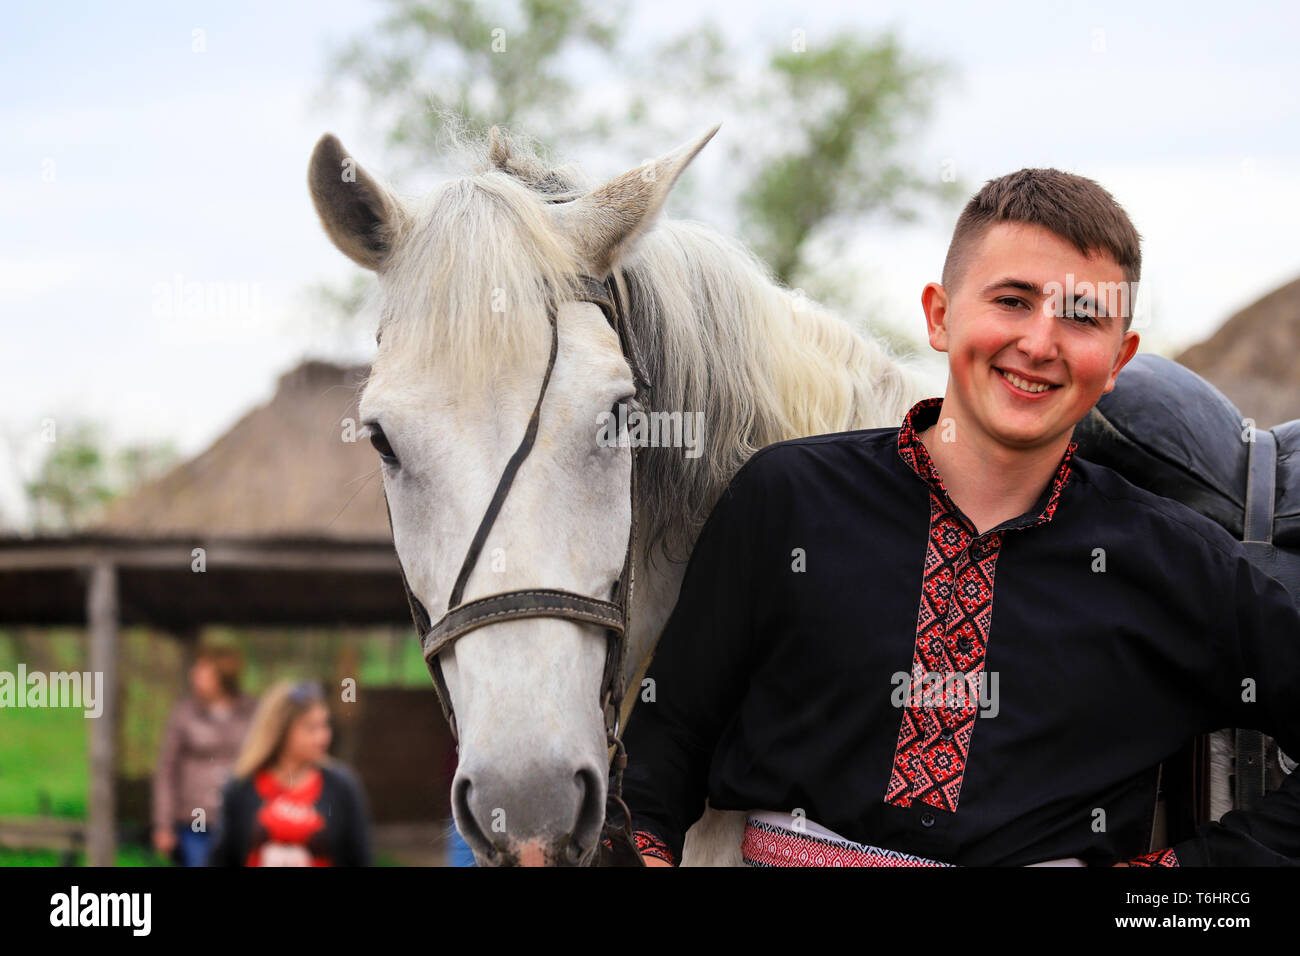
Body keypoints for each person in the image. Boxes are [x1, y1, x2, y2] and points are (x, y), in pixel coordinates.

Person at [620, 168, 1300, 867]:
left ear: (1120, 357)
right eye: (1012, 300)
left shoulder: (1174, 559)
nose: (1040, 343)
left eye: (1082, 315)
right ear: (940, 316)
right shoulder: (786, 498)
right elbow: (664, 740)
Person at [208, 680, 372, 866]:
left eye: (325, 726)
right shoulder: (241, 786)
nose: (323, 736)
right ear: (280, 731)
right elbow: (222, 857)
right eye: (311, 728)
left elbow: (359, 857)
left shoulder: (342, 786)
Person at [152, 645, 255, 867]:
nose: (195, 678)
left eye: (203, 673)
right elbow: (166, 771)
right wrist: (164, 824)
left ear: (222, 677)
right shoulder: (185, 713)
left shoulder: (250, 711)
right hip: (195, 820)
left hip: (239, 817)